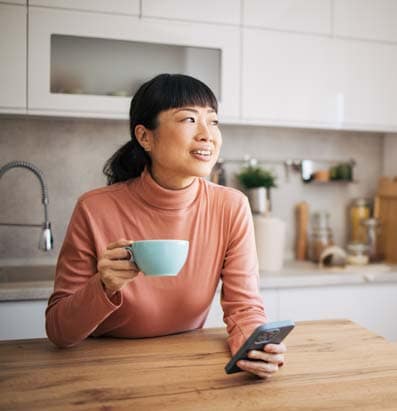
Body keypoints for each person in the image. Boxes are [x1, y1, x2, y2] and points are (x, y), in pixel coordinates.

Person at [45, 73, 286, 379]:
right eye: (188, 119)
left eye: (213, 121)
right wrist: (103, 286)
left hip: (187, 367)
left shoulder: (231, 206)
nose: (207, 134)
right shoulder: (94, 208)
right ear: (145, 137)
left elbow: (244, 308)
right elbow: (58, 331)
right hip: (102, 371)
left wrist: (256, 347)